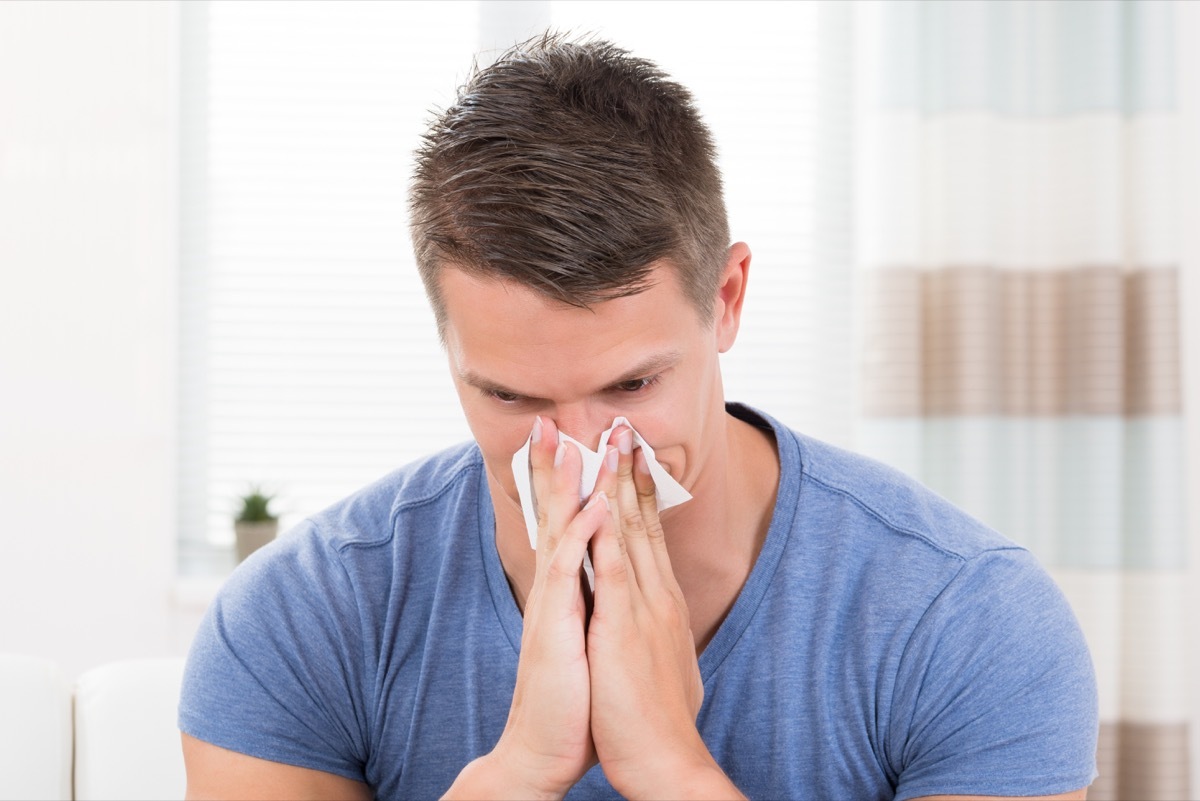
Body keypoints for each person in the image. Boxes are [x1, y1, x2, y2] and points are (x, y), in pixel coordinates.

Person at [179, 33, 1098, 801]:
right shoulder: (302, 617)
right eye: (510, 396)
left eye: (631, 386)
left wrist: (669, 766)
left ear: (726, 300)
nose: (580, 450)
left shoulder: (967, 619)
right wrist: (519, 770)